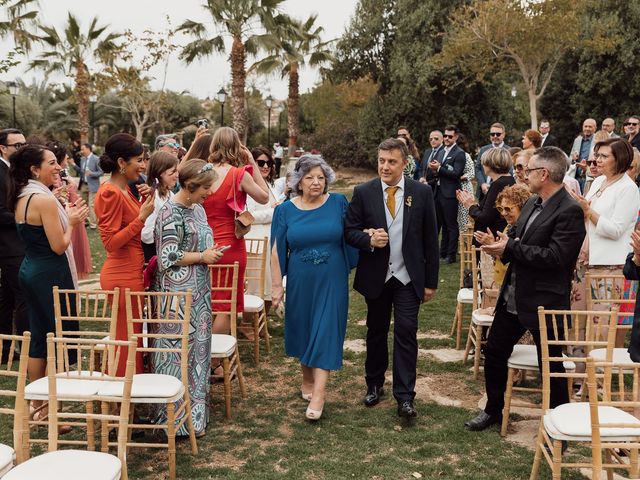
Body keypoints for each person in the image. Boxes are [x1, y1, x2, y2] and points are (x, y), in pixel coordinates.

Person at [464, 146, 586, 431]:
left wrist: (511, 247)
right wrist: (499, 246)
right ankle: (494, 409)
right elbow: (516, 240)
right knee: (493, 353)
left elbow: (556, 258)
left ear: (544, 174)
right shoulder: (532, 202)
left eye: (528, 170)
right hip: (513, 297)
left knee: (552, 367)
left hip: (546, 302)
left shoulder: (570, 211)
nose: (523, 174)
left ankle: (560, 425)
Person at [345, 138, 439, 418]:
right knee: (375, 331)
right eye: (381, 161)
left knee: (406, 332)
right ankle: (374, 383)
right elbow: (349, 231)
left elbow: (430, 240)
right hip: (377, 275)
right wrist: (369, 239)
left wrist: (431, 281)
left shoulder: (421, 193)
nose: (385, 167)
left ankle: (405, 396)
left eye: (391, 162)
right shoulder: (363, 192)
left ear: (404, 163)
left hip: (409, 277)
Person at [270, 155, 356, 421]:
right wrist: (276, 287)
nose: (316, 182)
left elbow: (354, 232)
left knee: (327, 329)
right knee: (305, 328)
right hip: (300, 279)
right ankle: (307, 377)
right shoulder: (284, 210)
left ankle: (319, 394)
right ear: (298, 181)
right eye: (310, 178)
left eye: (321, 177)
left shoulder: (339, 203)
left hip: (332, 278)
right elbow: (276, 250)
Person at [7, 145, 88, 390]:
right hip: (50, 274)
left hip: (31, 269)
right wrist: (72, 222)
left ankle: (38, 404)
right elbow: (59, 245)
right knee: (57, 338)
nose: (58, 167)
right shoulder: (43, 199)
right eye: (51, 163)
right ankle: (53, 408)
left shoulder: (23, 195)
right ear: (34, 169)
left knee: (39, 337)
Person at [153, 159, 223, 436]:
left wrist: (212, 252)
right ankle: (174, 421)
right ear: (191, 186)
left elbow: (200, 244)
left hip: (201, 293)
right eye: (206, 187)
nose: (210, 192)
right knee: (177, 353)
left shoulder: (199, 209)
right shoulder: (170, 211)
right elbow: (167, 256)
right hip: (177, 297)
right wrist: (202, 256)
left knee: (199, 353)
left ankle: (195, 417)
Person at [569, 138, 640, 347]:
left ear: (620, 159)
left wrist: (588, 211)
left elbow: (616, 230)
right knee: (577, 318)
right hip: (584, 261)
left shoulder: (628, 189)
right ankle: (576, 374)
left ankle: (597, 377)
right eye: (597, 155)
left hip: (609, 267)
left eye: (603, 156)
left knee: (599, 325)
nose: (597, 160)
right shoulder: (598, 181)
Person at [94, 133, 155, 375]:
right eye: (138, 160)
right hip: (121, 275)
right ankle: (122, 396)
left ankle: (132, 391)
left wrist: (143, 201)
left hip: (131, 271)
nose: (143, 165)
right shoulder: (109, 192)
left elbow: (127, 224)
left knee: (133, 336)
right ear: (121, 163)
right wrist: (142, 217)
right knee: (126, 338)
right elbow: (110, 242)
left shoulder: (124, 190)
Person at [203, 127, 269, 345]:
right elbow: (264, 197)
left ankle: (205, 355)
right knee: (225, 307)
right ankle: (214, 362)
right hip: (231, 246)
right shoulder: (239, 175)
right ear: (236, 147)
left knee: (209, 303)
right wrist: (250, 161)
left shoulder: (201, 172)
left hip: (204, 246)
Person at [0, 128, 28, 362]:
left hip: (16, 244)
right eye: (17, 146)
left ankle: (6, 349)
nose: (22, 149)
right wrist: (24, 216)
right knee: (21, 298)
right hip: (8, 247)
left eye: (24, 145)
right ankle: (25, 345)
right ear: (2, 148)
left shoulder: (13, 171)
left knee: (7, 299)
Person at [47, 140, 92, 279]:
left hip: (72, 220)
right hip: (65, 224)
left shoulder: (62, 177)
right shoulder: (55, 182)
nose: (66, 162)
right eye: (65, 159)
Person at [246, 146, 284, 305]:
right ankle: (249, 326)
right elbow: (247, 216)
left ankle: (263, 326)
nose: (266, 166)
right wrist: (274, 212)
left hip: (271, 241)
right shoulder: (248, 185)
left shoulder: (270, 185)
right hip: (255, 244)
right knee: (256, 289)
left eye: (269, 162)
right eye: (260, 163)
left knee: (270, 287)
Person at [474, 184, 532, 287]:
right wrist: (493, 245)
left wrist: (493, 244)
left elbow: (513, 259)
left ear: (523, 207)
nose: (504, 213)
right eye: (501, 208)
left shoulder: (525, 230)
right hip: (502, 284)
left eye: (508, 209)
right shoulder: (509, 226)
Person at [457, 148, 515, 242]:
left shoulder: (499, 184)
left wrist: (470, 206)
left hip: (491, 238)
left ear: (491, 164)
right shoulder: (509, 180)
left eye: (483, 163)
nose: (482, 165)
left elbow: (485, 218)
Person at [430, 125, 466, 264]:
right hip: (438, 191)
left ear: (456, 137)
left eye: (450, 136)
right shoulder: (441, 151)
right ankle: (442, 252)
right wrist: (434, 169)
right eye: (445, 136)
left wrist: (439, 168)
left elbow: (456, 174)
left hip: (450, 193)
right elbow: (439, 171)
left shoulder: (459, 153)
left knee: (451, 225)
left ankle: (451, 255)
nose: (446, 138)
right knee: (442, 224)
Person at [141, 151, 179, 262]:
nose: (177, 175)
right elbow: (146, 233)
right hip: (154, 253)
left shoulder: (170, 195)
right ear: (161, 173)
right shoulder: (153, 196)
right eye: (173, 171)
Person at [475, 123, 509, 199]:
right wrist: (482, 184)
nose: (495, 136)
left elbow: (509, 172)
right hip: (482, 191)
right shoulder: (483, 149)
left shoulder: (509, 151)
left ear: (503, 135)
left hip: (499, 192)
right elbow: (477, 168)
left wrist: (491, 185)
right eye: (492, 134)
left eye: (498, 134)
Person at [570, 118, 598, 192]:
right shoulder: (577, 140)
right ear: (582, 127)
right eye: (585, 126)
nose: (587, 128)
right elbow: (571, 157)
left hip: (590, 177)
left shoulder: (598, 140)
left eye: (590, 127)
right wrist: (573, 158)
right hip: (576, 177)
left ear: (595, 128)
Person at [455, 133, 475, 231]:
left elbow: (471, 173)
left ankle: (465, 238)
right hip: (453, 188)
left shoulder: (465, 155)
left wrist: (459, 177)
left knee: (464, 214)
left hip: (464, 188)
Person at [80, 142, 102, 229]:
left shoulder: (96, 159)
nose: (81, 151)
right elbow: (82, 172)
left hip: (93, 185)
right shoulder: (82, 159)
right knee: (82, 204)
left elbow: (101, 172)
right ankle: (85, 222)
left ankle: (93, 225)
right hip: (84, 185)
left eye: (83, 149)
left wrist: (92, 173)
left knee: (91, 205)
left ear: (88, 149)